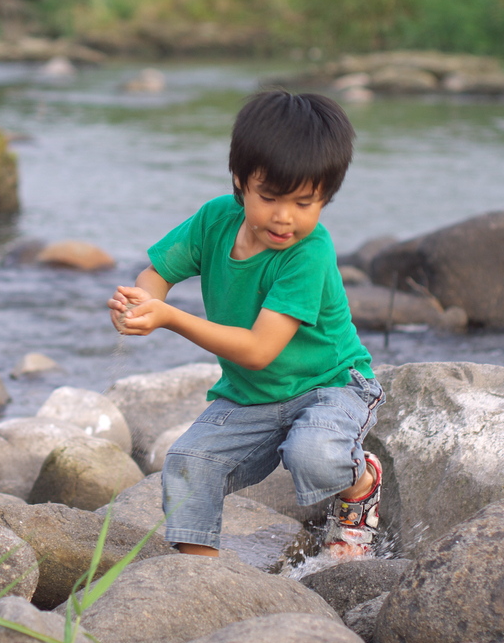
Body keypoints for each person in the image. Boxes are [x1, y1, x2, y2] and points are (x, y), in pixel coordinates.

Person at [107, 89, 384, 559]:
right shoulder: (215, 219)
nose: (284, 217)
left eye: (304, 203)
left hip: (330, 385)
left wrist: (171, 318)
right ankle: (204, 577)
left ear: (326, 198)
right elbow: (156, 275)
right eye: (270, 197)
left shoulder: (309, 253)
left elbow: (259, 349)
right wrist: (141, 304)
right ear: (241, 180)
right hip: (250, 395)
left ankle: (360, 482)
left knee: (314, 455)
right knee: (188, 463)